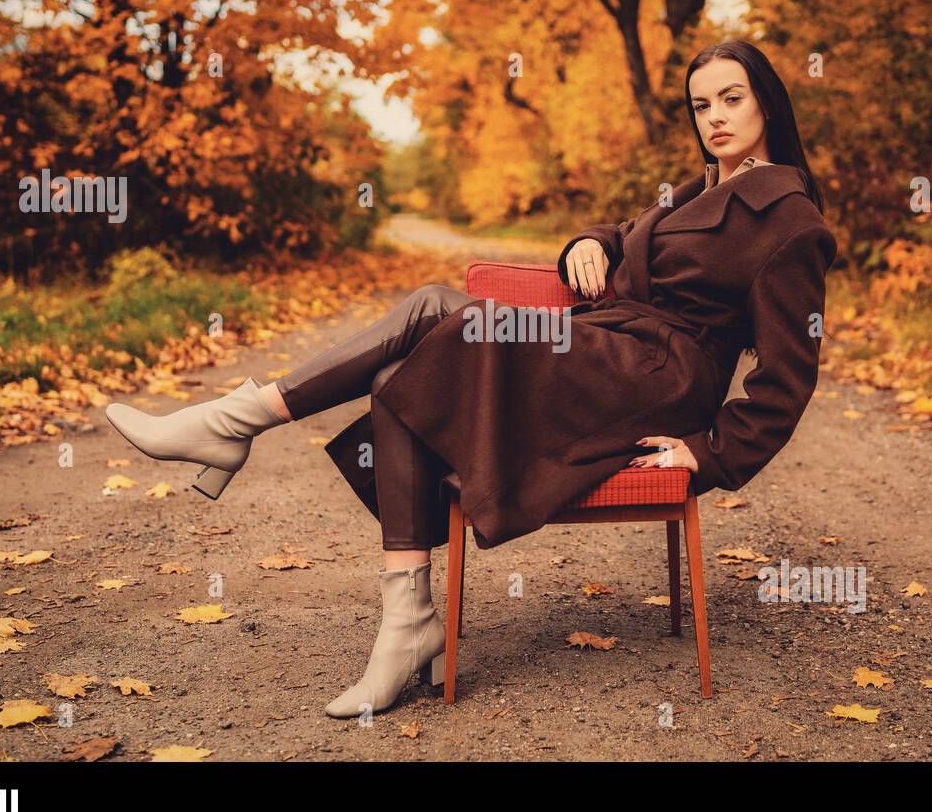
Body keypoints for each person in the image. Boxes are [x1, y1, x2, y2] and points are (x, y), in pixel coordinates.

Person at [105, 39, 838, 718]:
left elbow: (787, 376)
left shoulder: (788, 219)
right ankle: (407, 620)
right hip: (606, 349)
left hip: (655, 377)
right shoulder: (697, 185)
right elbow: (626, 236)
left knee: (431, 314)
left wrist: (707, 454)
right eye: (700, 103)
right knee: (406, 358)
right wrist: (588, 242)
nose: (714, 116)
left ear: (767, 102)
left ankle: (236, 423)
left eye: (731, 99)